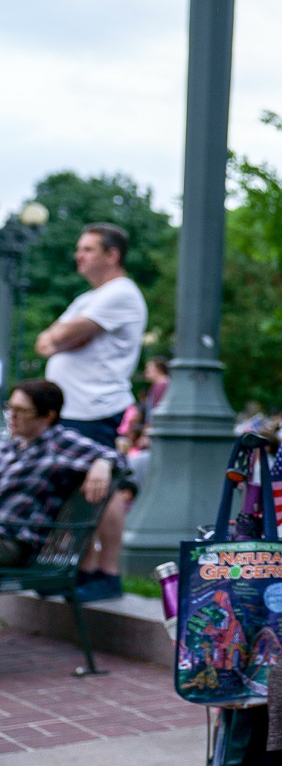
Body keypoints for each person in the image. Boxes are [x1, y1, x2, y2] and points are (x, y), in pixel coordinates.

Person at [33, 222, 146, 601]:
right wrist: (57, 337)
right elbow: (43, 341)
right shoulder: (89, 298)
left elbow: (58, 337)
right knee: (80, 490)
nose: (78, 256)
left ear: (111, 254)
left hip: (95, 409)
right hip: (74, 409)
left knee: (105, 490)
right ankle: (81, 570)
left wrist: (60, 337)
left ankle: (107, 573)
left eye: (87, 249)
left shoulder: (121, 294)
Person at [0, 380, 122, 567]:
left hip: (15, 541)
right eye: (10, 407)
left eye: (22, 411)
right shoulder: (9, 448)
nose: (12, 416)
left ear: (48, 416)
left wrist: (103, 464)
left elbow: (115, 457)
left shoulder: (59, 442)